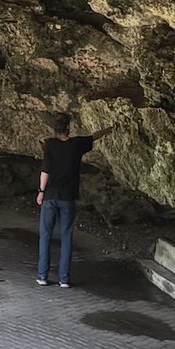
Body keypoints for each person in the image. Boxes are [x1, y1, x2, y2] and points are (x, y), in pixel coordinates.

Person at [36, 111, 103, 288]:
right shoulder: (76, 145)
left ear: (54, 129)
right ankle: (64, 279)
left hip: (50, 195)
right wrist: (111, 129)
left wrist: (41, 191)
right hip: (68, 197)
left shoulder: (49, 144)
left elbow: (45, 170)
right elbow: (93, 137)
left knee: (45, 236)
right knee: (66, 237)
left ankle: (42, 276)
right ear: (69, 128)